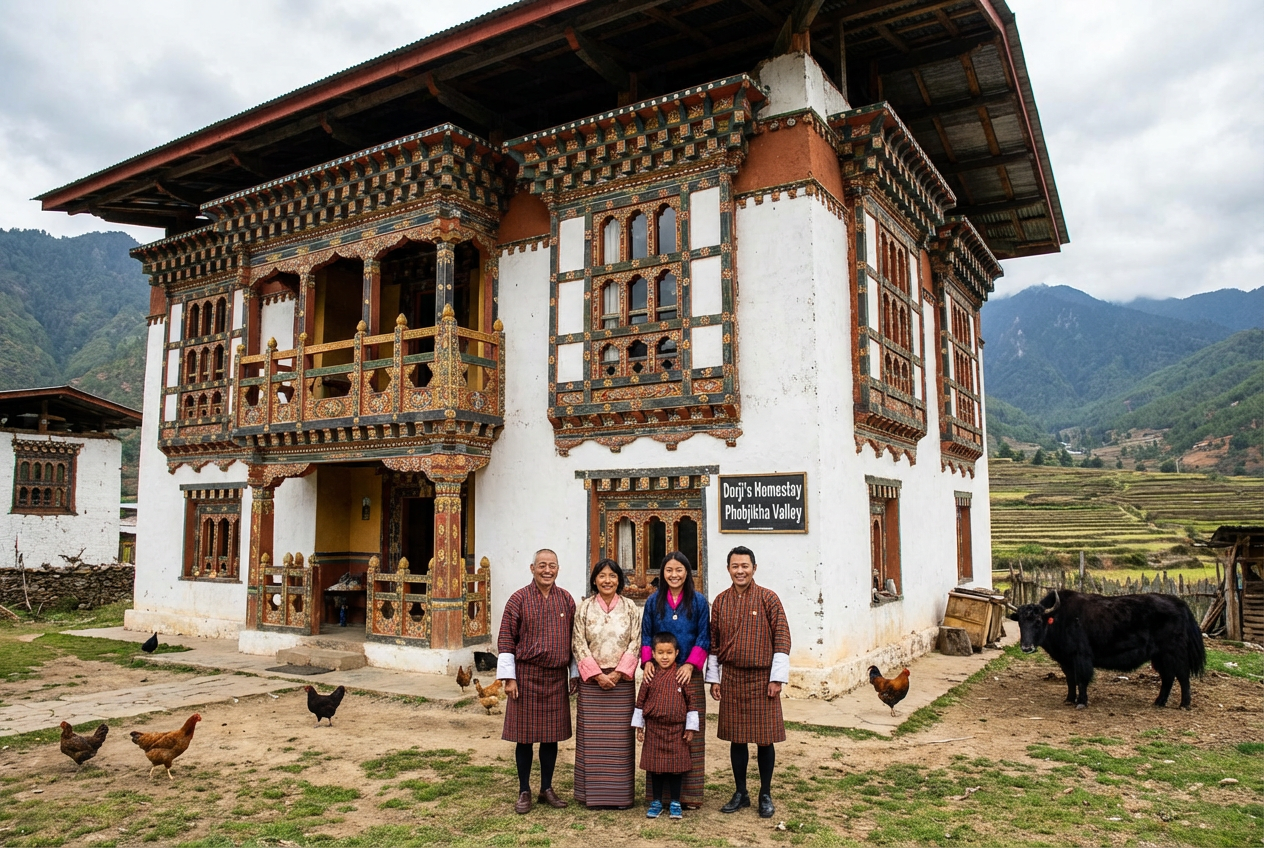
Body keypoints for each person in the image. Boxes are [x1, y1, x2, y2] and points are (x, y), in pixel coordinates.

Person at [705, 545, 791, 819]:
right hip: (731, 677)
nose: (740, 571)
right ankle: (741, 792)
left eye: (745, 566)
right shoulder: (720, 601)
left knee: (765, 739)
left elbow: (782, 638)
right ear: (728, 569)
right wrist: (714, 678)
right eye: (735, 566)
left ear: (754, 568)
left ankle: (765, 793)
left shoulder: (769, 599)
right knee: (737, 738)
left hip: (762, 678)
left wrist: (777, 678)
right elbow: (714, 643)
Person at [497, 548, 579, 814]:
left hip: (556, 677)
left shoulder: (566, 600)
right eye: (542, 565)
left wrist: (574, 674)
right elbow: (507, 640)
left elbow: (574, 642)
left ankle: (546, 787)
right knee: (525, 738)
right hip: (526, 676)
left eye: (552, 565)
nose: (547, 570)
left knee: (551, 737)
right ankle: (524, 790)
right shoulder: (518, 599)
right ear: (532, 568)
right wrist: (509, 678)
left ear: (558, 568)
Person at [640, 550, 710, 807]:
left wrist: (691, 665)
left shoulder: (699, 601)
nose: (674, 575)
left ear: (687, 572)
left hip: (688, 674)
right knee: (658, 732)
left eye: (679, 570)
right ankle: (658, 797)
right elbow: (646, 635)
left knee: (689, 733)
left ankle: (688, 796)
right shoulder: (652, 602)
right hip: (659, 674)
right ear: (662, 573)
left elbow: (704, 636)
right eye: (669, 570)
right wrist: (648, 662)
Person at [571, 558, 641, 809]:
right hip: (592, 683)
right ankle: (591, 795)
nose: (607, 580)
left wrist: (619, 673)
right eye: (602, 576)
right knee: (592, 739)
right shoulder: (584, 608)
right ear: (594, 580)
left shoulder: (631, 607)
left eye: (612, 576)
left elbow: (636, 641)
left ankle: (620, 796)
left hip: (621, 684)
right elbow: (578, 642)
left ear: (619, 580)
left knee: (620, 742)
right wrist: (597, 674)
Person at [633, 632, 700, 820]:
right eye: (660, 652)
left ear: (677, 653)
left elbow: (691, 703)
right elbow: (640, 701)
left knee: (676, 768)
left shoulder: (681, 675)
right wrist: (640, 727)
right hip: (654, 728)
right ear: (653, 654)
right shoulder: (650, 675)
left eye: (669, 653)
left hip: (677, 731)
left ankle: (675, 802)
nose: (664, 657)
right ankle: (656, 801)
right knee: (655, 768)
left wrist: (690, 728)